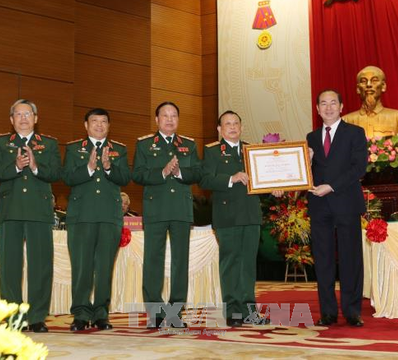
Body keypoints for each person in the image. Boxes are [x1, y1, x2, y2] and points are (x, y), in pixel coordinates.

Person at [200, 111, 281, 327]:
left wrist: (274, 187)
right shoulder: (213, 152)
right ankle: (233, 311)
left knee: (248, 266)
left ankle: (249, 310)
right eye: (227, 124)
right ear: (219, 129)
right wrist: (231, 178)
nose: (233, 127)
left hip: (251, 214)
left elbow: (262, 179)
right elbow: (205, 180)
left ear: (242, 127)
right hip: (227, 216)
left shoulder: (252, 150)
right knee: (230, 264)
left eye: (236, 123)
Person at [0, 99, 61, 333]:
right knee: (10, 266)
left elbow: (56, 173)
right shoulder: (0, 143)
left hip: (39, 210)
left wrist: (36, 166)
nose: (23, 118)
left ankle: (37, 316)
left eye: (28, 114)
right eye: (18, 114)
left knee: (40, 265)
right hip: (10, 210)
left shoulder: (48, 144)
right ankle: (13, 317)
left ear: (36, 118)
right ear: (11, 120)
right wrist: (16, 166)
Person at [132, 102, 201, 328]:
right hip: (156, 209)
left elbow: (198, 172)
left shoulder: (188, 145)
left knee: (181, 261)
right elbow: (138, 174)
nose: (170, 119)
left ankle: (175, 311)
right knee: (153, 260)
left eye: (174, 116)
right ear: (157, 120)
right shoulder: (144, 144)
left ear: (178, 120)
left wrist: (180, 172)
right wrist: (162, 172)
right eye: (165, 116)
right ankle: (155, 312)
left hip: (181, 210)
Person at [63, 108, 131, 331]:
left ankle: (101, 313)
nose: (99, 125)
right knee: (81, 267)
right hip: (81, 216)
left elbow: (126, 179)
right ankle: (81, 314)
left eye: (104, 122)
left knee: (104, 268)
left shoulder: (118, 150)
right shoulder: (74, 149)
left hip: (109, 217)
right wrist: (89, 168)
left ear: (109, 126)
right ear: (86, 125)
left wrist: (109, 167)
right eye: (95, 121)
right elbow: (67, 178)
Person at [307, 89, 368, 327]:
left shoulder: (355, 133)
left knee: (350, 258)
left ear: (342, 106)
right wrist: (306, 162)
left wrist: (331, 186)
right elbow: (306, 172)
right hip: (319, 205)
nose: (329, 107)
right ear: (317, 109)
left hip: (346, 203)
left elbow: (358, 168)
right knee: (322, 260)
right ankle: (328, 312)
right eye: (324, 103)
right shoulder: (311, 137)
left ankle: (352, 312)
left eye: (333, 103)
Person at [342, 66, 398, 138]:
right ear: (358, 88)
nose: (368, 85)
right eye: (364, 81)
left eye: (374, 81)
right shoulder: (345, 121)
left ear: (383, 86)